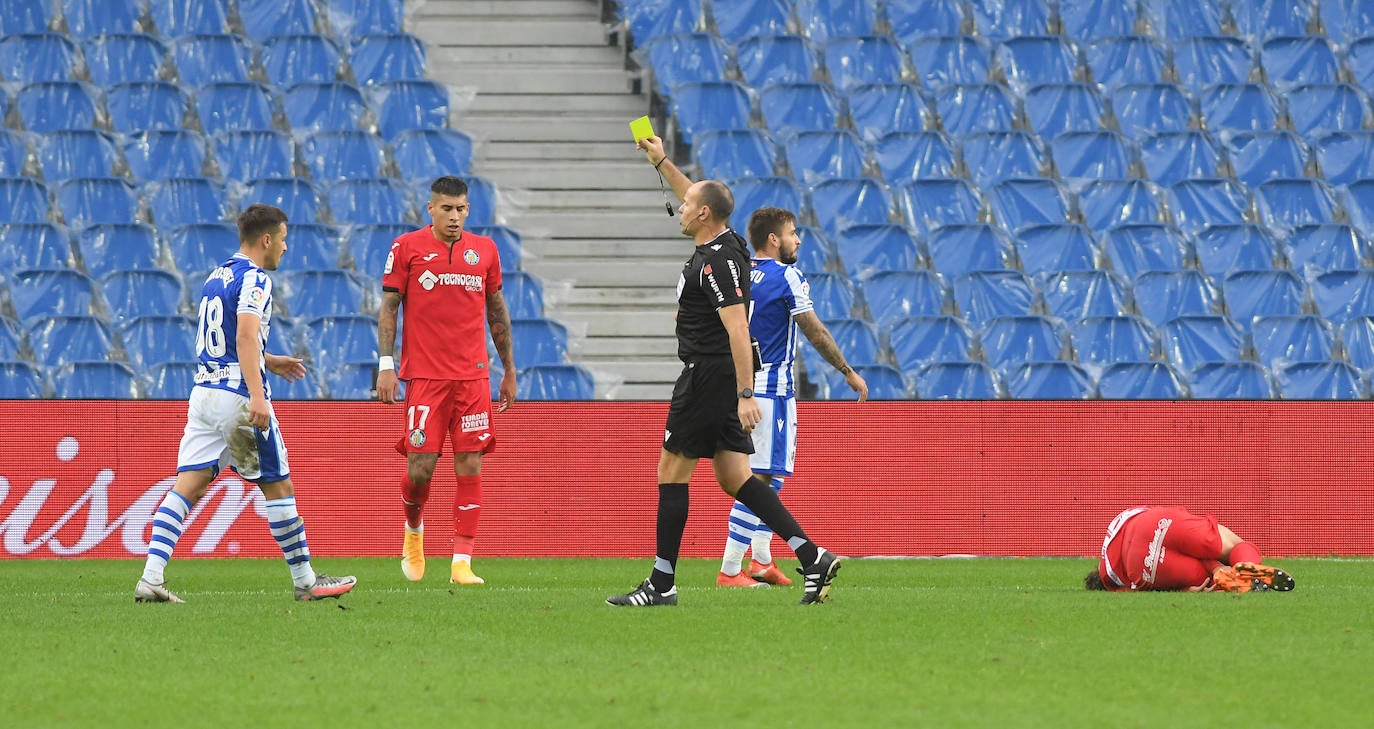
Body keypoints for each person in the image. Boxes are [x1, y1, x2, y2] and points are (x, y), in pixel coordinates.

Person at [607, 137, 843, 607]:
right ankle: (811, 555)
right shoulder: (729, 240)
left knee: (671, 473)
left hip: (709, 378)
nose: (680, 207)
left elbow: (738, 330)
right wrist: (660, 160)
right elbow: (701, 192)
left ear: (702, 217)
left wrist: (743, 393)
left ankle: (662, 583)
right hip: (718, 377)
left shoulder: (714, 263)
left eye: (687, 206)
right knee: (736, 478)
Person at [134, 204, 357, 603]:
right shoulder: (256, 279)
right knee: (278, 484)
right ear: (267, 239)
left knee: (188, 486)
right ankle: (306, 581)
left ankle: (151, 577)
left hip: (204, 393)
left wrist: (270, 359)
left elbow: (228, 338)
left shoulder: (216, 275)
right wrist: (257, 392)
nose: (286, 248)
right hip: (238, 396)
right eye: (284, 239)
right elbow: (244, 338)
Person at [716, 206, 869, 588]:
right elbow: (815, 331)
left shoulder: (738, 274)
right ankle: (730, 569)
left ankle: (762, 560)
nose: (798, 238)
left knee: (772, 477)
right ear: (774, 239)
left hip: (741, 385)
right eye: (792, 232)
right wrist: (847, 371)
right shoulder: (786, 275)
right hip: (770, 389)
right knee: (761, 479)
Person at [377, 176, 516, 586]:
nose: (454, 217)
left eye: (460, 209)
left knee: (470, 463)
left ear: (468, 210)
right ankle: (413, 532)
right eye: (446, 209)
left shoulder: (486, 251)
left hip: (472, 378)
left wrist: (507, 368)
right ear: (431, 209)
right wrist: (386, 363)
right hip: (424, 377)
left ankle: (461, 562)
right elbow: (389, 307)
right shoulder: (407, 248)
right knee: (420, 469)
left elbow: (497, 312)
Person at [1086, 506, 1296, 593]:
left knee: (1203, 581)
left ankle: (1218, 577)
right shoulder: (1114, 529)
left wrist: (1186, 589)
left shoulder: (1111, 579)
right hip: (1153, 522)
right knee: (1234, 544)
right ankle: (1247, 564)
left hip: (1141, 565)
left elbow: (1135, 593)